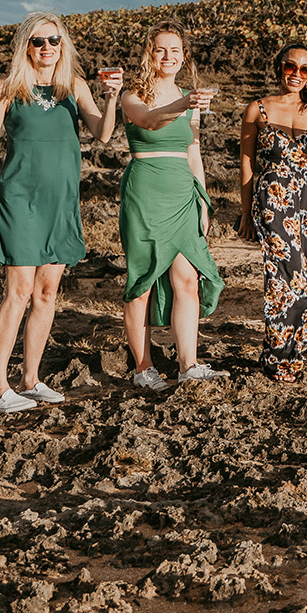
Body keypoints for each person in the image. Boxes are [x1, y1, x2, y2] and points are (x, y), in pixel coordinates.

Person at [0, 13, 122, 413]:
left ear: (63, 44)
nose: (47, 48)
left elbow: (102, 135)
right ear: (26, 45)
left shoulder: (75, 86)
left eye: (54, 40)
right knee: (17, 291)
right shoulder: (7, 88)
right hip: (20, 199)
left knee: (47, 292)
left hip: (61, 201)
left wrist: (111, 97)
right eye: (38, 41)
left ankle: (31, 379)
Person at [117, 22, 226, 391]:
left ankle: (188, 364)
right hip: (145, 189)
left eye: (175, 50)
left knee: (188, 279)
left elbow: (193, 150)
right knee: (143, 280)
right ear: (150, 53)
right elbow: (148, 122)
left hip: (182, 191)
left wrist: (203, 200)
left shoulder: (186, 96)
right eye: (161, 50)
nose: (169, 56)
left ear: (183, 56)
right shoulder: (133, 94)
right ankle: (143, 367)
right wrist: (184, 103)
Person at [239, 44, 307, 380]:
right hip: (274, 203)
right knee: (286, 279)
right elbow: (246, 162)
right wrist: (246, 212)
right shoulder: (257, 109)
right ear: (278, 68)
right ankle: (278, 356)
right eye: (290, 67)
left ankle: (297, 346)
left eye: (305, 70)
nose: (297, 75)